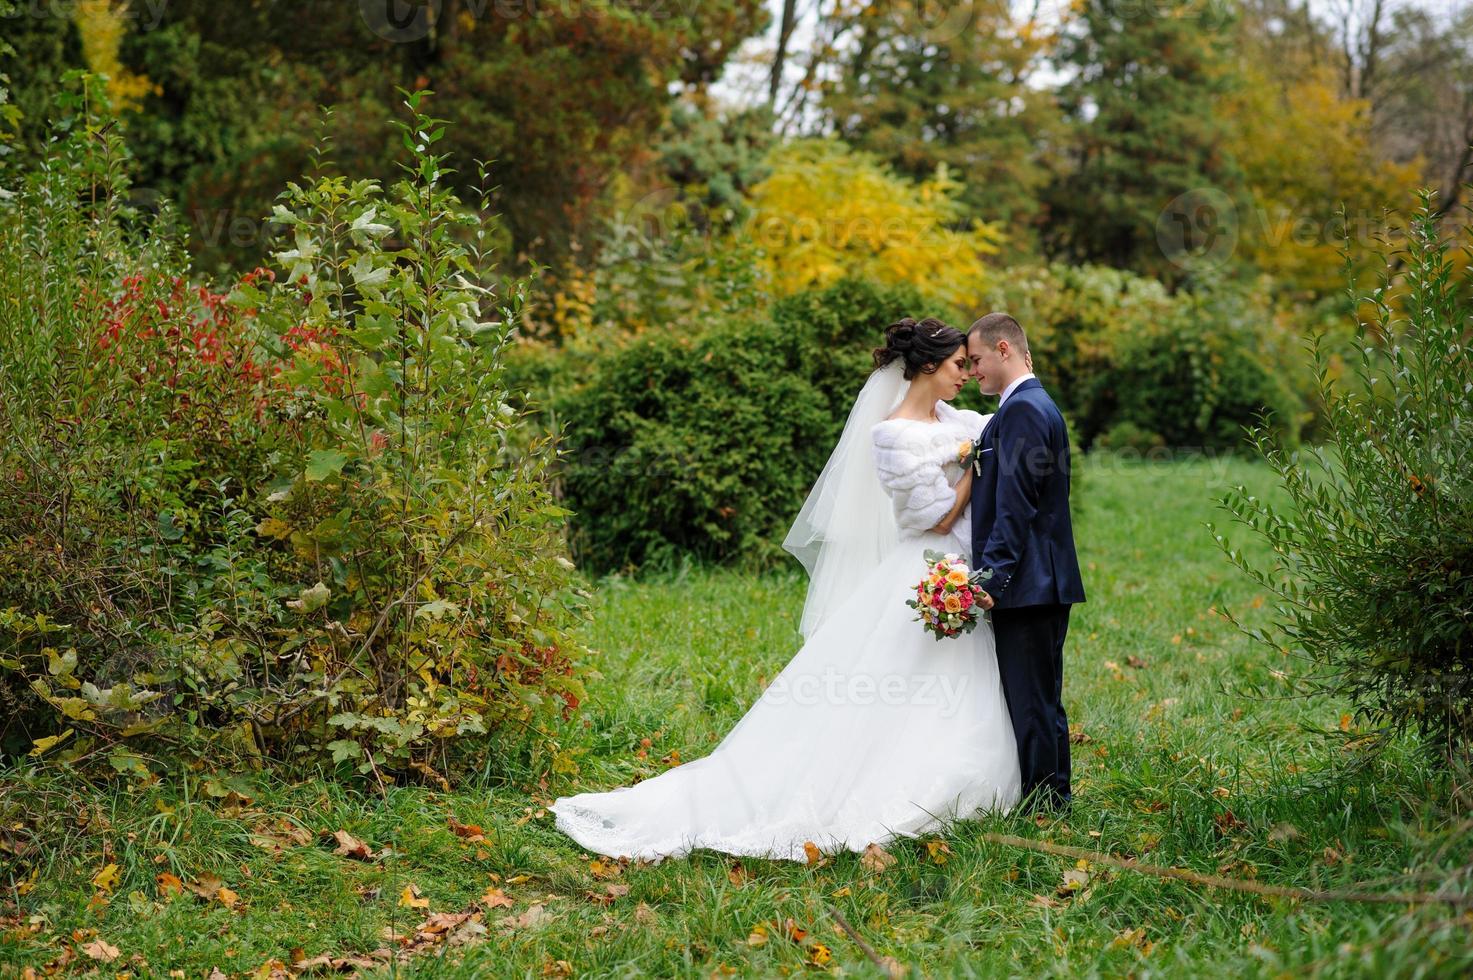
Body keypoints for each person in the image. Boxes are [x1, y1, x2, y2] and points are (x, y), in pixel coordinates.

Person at [548, 317, 1022, 862]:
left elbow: (993, 434)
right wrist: (972, 466)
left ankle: (965, 780)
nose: (967, 374)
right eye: (960, 364)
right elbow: (934, 518)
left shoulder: (956, 417)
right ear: (928, 366)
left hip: (960, 571)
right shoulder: (894, 436)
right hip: (927, 565)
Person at [965, 312, 1086, 814]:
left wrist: (992, 575)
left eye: (975, 360)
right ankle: (1049, 799)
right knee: (1038, 696)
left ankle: (1047, 806)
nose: (973, 372)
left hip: (1029, 581)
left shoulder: (1024, 412)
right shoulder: (1023, 407)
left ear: (1004, 349)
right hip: (1038, 578)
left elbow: (1017, 503)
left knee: (1033, 700)